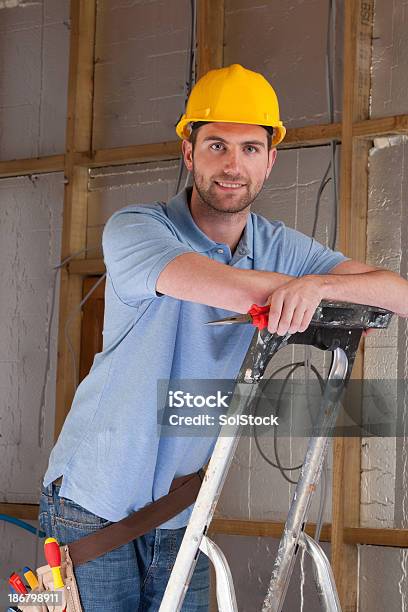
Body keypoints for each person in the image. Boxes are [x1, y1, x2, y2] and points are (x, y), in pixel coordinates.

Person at [39, 63, 408, 611]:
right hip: (92, 505)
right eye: (216, 146)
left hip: (180, 510)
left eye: (250, 149)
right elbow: (231, 290)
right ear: (189, 152)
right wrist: (310, 290)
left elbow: (397, 293)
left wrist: (320, 285)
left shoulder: (284, 249)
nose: (233, 166)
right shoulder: (137, 230)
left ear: (270, 160)